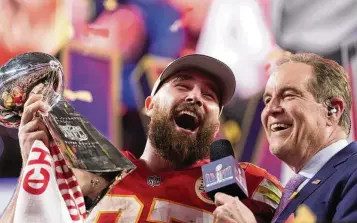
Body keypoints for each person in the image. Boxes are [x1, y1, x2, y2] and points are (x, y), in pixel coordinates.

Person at [1, 54, 283, 223]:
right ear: (149, 105)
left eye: (209, 96)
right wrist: (32, 173)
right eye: (182, 85)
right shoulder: (92, 173)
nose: (196, 96)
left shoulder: (247, 184)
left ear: (217, 125)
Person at [213, 53, 357, 223]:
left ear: (332, 110)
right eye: (267, 100)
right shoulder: (293, 192)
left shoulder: (351, 171)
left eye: (288, 95)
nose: (270, 110)